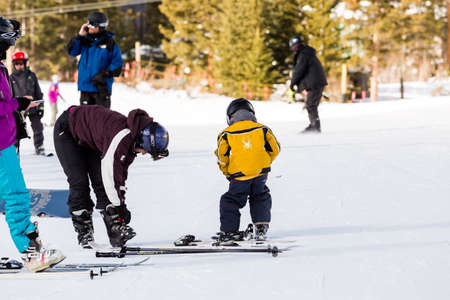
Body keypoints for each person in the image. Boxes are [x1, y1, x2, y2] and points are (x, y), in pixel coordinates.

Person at [53, 105, 169, 248]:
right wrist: (120, 207)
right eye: (146, 150)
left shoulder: (132, 140)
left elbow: (119, 175)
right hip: (68, 130)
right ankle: (85, 233)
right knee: (79, 182)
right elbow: (111, 174)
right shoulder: (122, 138)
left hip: (90, 138)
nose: (144, 153)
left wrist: (121, 202)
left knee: (101, 181)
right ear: (142, 141)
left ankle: (115, 231)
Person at [0, 17, 64, 272]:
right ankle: (31, 253)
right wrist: (19, 104)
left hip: (5, 139)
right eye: (9, 42)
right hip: (1, 143)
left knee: (15, 194)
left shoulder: (1, 68)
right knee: (16, 195)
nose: (10, 49)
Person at [214, 98, 280, 242]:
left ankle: (229, 231)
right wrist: (264, 163)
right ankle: (261, 226)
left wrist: (227, 172)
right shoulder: (263, 129)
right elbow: (275, 148)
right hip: (261, 172)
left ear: (230, 116)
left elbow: (222, 157)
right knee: (260, 195)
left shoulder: (226, 134)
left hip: (239, 175)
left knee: (230, 200)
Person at [66, 11, 123, 108]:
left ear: (99, 27)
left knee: (101, 121)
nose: (89, 28)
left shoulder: (110, 43)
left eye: (92, 25)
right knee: (85, 120)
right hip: (85, 89)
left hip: (101, 89)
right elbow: (72, 51)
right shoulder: (84, 40)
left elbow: (117, 65)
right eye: (88, 24)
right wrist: (79, 36)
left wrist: (103, 75)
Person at [10, 51, 47, 155]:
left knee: (38, 127)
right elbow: (10, 95)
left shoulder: (31, 75)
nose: (19, 65)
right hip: (19, 108)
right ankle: (14, 148)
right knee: (16, 128)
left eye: (21, 63)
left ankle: (39, 146)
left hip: (33, 106)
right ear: (14, 64)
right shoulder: (11, 77)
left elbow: (38, 92)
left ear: (25, 63)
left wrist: (41, 108)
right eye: (17, 63)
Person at [289, 35, 328, 133]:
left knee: (311, 105)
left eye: (295, 46)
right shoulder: (306, 53)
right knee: (311, 104)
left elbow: (299, 70)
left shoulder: (304, 54)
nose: (294, 49)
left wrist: (293, 82)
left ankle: (315, 126)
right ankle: (314, 125)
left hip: (315, 83)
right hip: (314, 82)